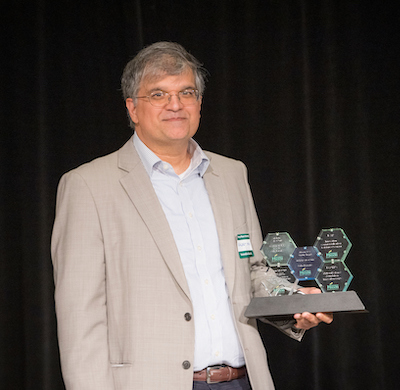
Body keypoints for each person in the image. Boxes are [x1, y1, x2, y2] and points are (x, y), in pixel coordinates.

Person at [51, 41, 333, 390]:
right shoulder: (88, 186)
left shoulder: (231, 174)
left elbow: (253, 270)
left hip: (243, 380)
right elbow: (80, 318)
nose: (175, 105)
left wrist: (293, 305)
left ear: (199, 104)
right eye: (158, 94)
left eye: (186, 92)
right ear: (132, 109)